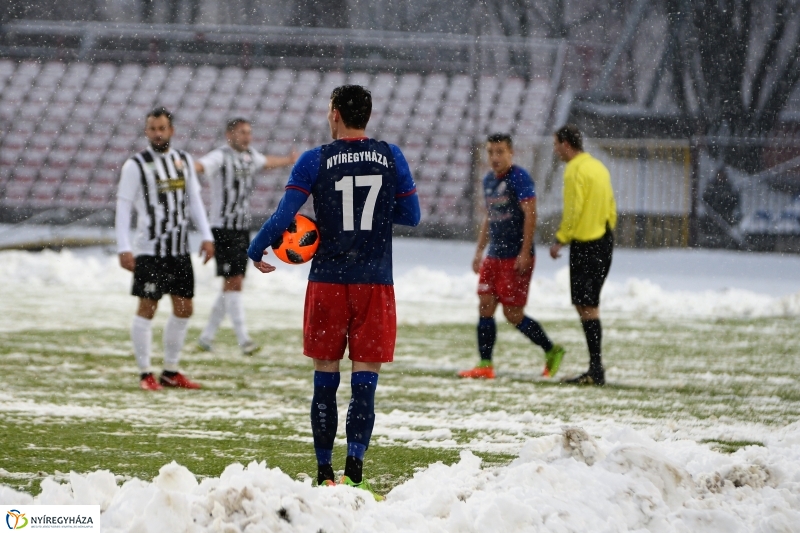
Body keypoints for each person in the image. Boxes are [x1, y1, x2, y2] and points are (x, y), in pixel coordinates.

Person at [247, 85, 420, 499]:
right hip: (374, 282)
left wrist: (257, 248)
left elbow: (285, 215)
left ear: (336, 114)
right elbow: (412, 215)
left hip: (327, 282)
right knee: (365, 381)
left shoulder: (315, 159)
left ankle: (324, 473)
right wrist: (375, 216)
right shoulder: (390, 155)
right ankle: (354, 473)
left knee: (324, 378)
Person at [115, 107, 215, 391]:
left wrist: (207, 237)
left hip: (179, 249)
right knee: (148, 307)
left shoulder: (183, 160)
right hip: (149, 250)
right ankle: (145, 372)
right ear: (146, 132)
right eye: (152, 129)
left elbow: (194, 201)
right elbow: (122, 205)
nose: (157, 133)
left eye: (162, 128)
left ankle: (170, 371)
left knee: (184, 308)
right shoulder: (136, 164)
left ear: (171, 130)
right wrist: (124, 247)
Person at [459, 133, 565, 380]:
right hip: (494, 255)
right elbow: (490, 217)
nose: (494, 157)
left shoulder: (519, 178)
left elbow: (531, 215)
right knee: (485, 305)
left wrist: (525, 251)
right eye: (490, 152)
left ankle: (552, 350)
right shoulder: (488, 181)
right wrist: (479, 251)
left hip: (515, 255)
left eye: (500, 152)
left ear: (510, 153)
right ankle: (485, 364)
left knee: (512, 314)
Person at [194, 118, 297, 355]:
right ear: (229, 134)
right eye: (242, 132)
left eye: (249, 132)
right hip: (222, 228)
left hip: (241, 227)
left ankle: (206, 337)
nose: (247, 137)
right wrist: (183, 166)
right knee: (235, 282)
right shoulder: (220, 156)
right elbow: (200, 165)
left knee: (233, 281)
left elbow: (265, 161)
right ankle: (244, 340)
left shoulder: (250, 156)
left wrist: (287, 161)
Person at [550, 124, 617, 386]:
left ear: (566, 144)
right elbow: (611, 205)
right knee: (587, 305)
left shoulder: (573, 170)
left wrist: (561, 239)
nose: (555, 150)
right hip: (603, 239)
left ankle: (596, 369)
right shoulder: (598, 167)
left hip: (586, 242)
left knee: (587, 306)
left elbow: (574, 208)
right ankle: (595, 367)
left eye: (556, 144)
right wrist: (607, 230)